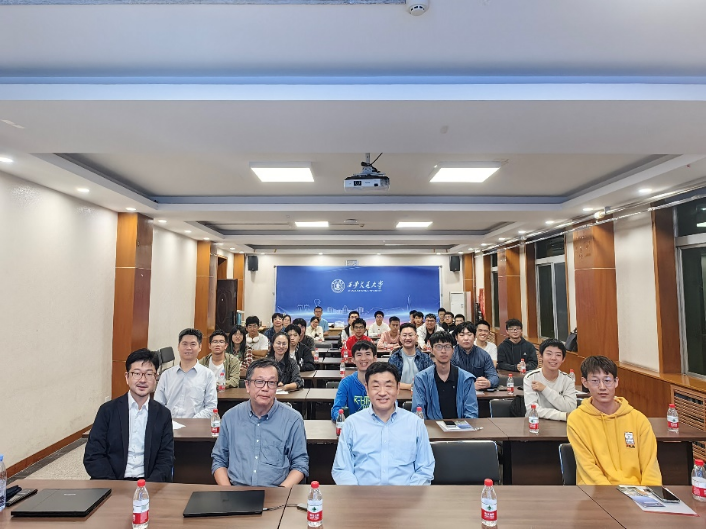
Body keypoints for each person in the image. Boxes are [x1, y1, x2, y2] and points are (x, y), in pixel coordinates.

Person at [332, 362, 435, 485]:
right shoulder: (352, 424)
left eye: (388, 386)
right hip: (362, 494)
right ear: (367, 389)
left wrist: (410, 494)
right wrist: (356, 494)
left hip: (406, 494)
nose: (382, 392)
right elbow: (342, 470)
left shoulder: (415, 423)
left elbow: (425, 468)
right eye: (376, 386)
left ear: (398, 388)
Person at [212, 358, 308, 487]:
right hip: (236, 491)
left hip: (277, 492)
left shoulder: (293, 420)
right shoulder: (230, 417)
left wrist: (282, 491)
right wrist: (228, 492)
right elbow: (219, 460)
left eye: (271, 383)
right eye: (259, 382)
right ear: (247, 385)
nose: (265, 388)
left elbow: (300, 464)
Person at [567, 355, 661, 486]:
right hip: (597, 491)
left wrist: (651, 493)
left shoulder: (638, 419)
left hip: (638, 492)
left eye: (607, 380)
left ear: (616, 382)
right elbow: (588, 468)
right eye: (595, 381)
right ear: (585, 382)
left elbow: (650, 466)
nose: (602, 387)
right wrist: (611, 495)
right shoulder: (577, 419)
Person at [84, 349, 174, 482]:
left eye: (149, 374)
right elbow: (93, 455)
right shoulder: (107, 411)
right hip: (113, 481)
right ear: (127, 377)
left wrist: (148, 486)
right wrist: (115, 486)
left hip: (149, 483)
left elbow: (166, 457)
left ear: (156, 378)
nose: (142, 380)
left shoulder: (163, 414)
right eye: (136, 373)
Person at [413, 331, 479, 420]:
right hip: (431, 427)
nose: (443, 351)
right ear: (431, 350)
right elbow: (418, 412)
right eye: (438, 347)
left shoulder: (466, 378)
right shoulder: (421, 379)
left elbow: (471, 413)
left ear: (453, 350)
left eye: (447, 347)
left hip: (461, 427)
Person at [154, 328, 218, 419]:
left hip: (196, 425)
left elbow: (211, 407)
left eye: (193, 344)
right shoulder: (166, 375)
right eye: (184, 344)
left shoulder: (208, 375)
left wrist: (191, 422)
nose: (188, 348)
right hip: (169, 425)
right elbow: (158, 404)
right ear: (178, 347)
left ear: (200, 347)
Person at [523, 339, 577, 421]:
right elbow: (532, 409)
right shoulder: (531, 378)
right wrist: (562, 415)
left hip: (562, 424)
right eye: (549, 354)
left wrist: (545, 389)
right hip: (535, 423)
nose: (553, 358)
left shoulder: (568, 380)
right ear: (541, 356)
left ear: (563, 359)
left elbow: (571, 408)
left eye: (558, 355)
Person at [330, 340, 377, 420]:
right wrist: (345, 420)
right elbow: (336, 409)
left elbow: (391, 408)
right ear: (353, 360)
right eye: (359, 355)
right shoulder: (346, 383)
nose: (363, 358)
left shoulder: (382, 382)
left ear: (375, 358)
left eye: (367, 354)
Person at [451, 322, 498, 390]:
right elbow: (449, 379)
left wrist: (488, 383)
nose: (466, 338)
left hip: (480, 394)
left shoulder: (484, 355)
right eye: (462, 335)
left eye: (469, 335)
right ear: (456, 337)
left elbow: (494, 377)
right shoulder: (451, 355)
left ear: (475, 336)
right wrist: (471, 385)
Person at [388, 323, 433, 390]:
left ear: (416, 337)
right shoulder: (394, 358)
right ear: (399, 337)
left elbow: (431, 379)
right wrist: (411, 387)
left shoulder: (425, 358)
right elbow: (390, 381)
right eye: (404, 335)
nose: (407, 338)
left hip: (422, 394)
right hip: (399, 395)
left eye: (410, 335)